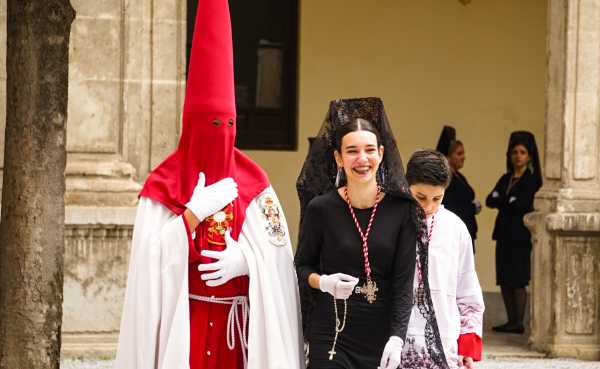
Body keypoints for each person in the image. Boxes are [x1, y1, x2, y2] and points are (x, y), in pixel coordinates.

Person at [114, 0, 304, 368]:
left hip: (239, 335)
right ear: (192, 125)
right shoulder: (163, 185)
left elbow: (280, 262)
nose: (222, 134)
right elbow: (148, 269)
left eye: (228, 124)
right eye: (212, 125)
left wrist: (247, 261)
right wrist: (190, 217)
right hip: (184, 329)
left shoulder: (255, 183)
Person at [295, 97, 448, 369]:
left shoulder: (402, 210)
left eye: (369, 150)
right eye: (352, 151)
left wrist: (397, 339)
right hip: (332, 333)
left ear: (380, 153)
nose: (362, 159)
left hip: (381, 335)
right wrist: (324, 282)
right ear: (338, 158)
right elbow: (301, 267)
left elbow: (403, 284)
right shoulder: (321, 208)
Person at [402, 150, 485, 369]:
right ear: (407, 186)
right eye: (420, 197)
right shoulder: (392, 222)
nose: (428, 206)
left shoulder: (455, 228)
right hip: (397, 344)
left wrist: (467, 346)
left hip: (443, 341)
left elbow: (467, 291)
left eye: (436, 199)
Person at [486, 131, 542, 334]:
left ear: (529, 156)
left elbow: (523, 205)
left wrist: (504, 200)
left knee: (518, 279)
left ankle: (518, 321)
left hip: (520, 236)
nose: (518, 156)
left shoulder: (532, 180)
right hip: (503, 235)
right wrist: (506, 200)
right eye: (514, 152)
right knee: (504, 278)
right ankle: (510, 320)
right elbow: (489, 200)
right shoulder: (506, 178)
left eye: (522, 152)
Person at [436, 126, 480, 251]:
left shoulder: (459, 176)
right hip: (453, 234)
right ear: (448, 157)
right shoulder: (445, 179)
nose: (463, 157)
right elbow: (451, 205)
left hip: (465, 231)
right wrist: (473, 207)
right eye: (459, 154)